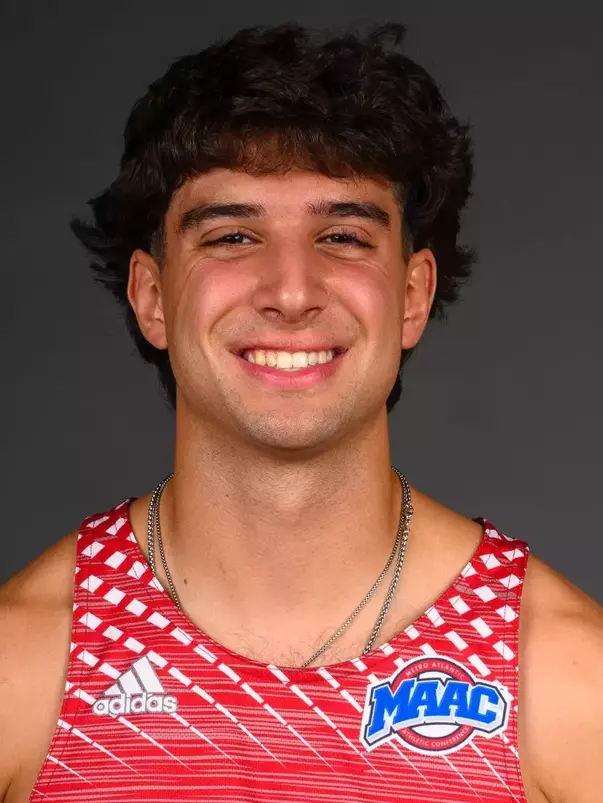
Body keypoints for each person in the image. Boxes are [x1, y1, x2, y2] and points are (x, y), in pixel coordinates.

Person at [1, 21, 601, 803]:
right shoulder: (22, 666)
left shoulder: (565, 680)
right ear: (151, 297)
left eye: (343, 235)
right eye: (234, 234)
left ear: (413, 296)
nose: (290, 290)